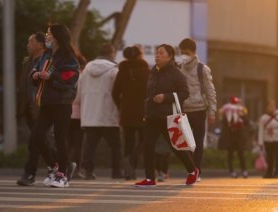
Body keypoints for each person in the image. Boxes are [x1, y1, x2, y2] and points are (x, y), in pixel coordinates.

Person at [23, 23, 79, 188]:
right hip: (46, 102)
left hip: (62, 103)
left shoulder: (69, 57)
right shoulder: (46, 55)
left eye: (49, 33)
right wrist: (36, 75)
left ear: (57, 36)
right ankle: (56, 165)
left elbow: (71, 78)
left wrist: (52, 77)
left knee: (61, 138)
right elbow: (34, 71)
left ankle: (62, 176)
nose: (46, 36)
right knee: (36, 137)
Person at [135, 44, 198, 187]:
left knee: (176, 146)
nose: (157, 55)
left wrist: (166, 97)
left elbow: (185, 93)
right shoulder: (153, 71)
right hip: (152, 115)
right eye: (157, 53)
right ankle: (150, 178)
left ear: (170, 56)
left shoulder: (176, 74)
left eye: (161, 53)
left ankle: (192, 170)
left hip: (169, 117)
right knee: (148, 146)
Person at [78, 43, 122, 179]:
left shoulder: (86, 70)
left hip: (90, 114)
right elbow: (118, 91)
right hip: (109, 113)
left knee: (89, 146)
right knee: (116, 146)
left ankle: (88, 172)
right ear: (112, 53)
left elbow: (79, 90)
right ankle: (116, 172)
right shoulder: (115, 70)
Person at [178, 38, 217, 181]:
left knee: (198, 143)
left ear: (194, 52)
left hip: (200, 110)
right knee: (185, 143)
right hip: (184, 110)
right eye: (182, 52)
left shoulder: (202, 69)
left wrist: (212, 112)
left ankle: (197, 171)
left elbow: (210, 91)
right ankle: (191, 170)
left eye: (186, 52)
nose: (184, 55)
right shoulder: (178, 67)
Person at [112, 45, 150, 180]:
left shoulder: (122, 71)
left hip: (126, 112)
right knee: (145, 139)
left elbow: (115, 93)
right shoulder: (147, 71)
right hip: (144, 111)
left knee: (128, 141)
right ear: (140, 55)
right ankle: (133, 160)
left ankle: (129, 172)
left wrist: (120, 106)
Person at [17, 32, 47, 186]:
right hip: (29, 108)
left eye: (31, 42)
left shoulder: (47, 61)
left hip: (42, 107)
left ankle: (29, 174)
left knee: (35, 141)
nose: (27, 45)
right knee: (41, 141)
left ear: (41, 45)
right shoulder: (27, 62)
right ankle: (63, 165)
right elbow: (23, 86)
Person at [218, 96, 248, 178]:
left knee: (240, 153)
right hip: (230, 136)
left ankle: (244, 170)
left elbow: (246, 122)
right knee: (230, 154)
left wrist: (242, 116)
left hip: (239, 136)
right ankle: (232, 171)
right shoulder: (226, 114)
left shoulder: (242, 111)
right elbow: (223, 122)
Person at [68, 54, 87, 179]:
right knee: (78, 144)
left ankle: (63, 165)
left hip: (67, 113)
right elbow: (79, 96)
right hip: (80, 114)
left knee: (67, 143)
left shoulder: (69, 74)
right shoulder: (82, 76)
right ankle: (76, 169)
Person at [258, 99, 278, 179]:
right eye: (269, 106)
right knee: (269, 157)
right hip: (268, 140)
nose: (271, 108)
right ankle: (269, 172)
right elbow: (260, 130)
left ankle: (277, 172)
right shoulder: (263, 118)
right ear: (266, 107)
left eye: (273, 106)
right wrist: (260, 142)